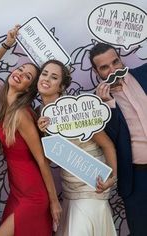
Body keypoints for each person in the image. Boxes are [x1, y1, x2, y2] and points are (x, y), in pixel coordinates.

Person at [0, 26, 62, 236]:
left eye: (28, 76)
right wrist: (6, 45)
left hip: (33, 195)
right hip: (17, 192)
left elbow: (41, 160)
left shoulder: (22, 114)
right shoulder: (4, 103)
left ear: (29, 89)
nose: (21, 74)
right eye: (20, 70)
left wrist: (54, 201)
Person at [37, 59, 117, 236]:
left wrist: (112, 177)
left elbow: (107, 144)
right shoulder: (39, 114)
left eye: (54, 77)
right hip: (70, 190)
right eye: (44, 74)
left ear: (61, 86)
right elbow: (50, 159)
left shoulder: (75, 110)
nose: (47, 79)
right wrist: (45, 133)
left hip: (93, 185)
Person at [89, 42, 147, 236]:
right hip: (137, 177)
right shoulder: (96, 105)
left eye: (116, 62)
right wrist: (108, 105)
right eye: (105, 67)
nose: (113, 69)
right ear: (97, 72)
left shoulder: (144, 74)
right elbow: (112, 141)